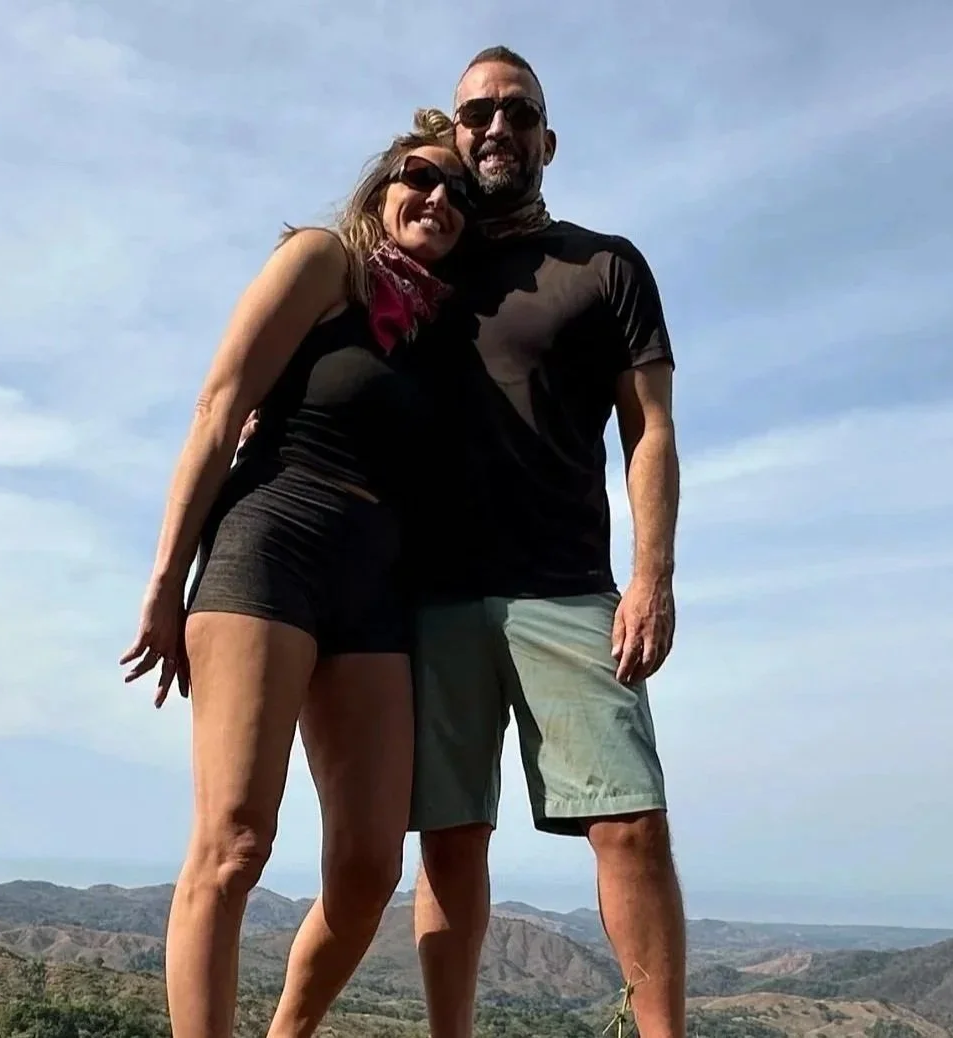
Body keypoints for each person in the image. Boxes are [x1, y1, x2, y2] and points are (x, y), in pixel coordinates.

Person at [119, 109, 478, 1038]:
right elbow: (218, 405)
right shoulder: (326, 262)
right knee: (234, 845)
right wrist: (165, 581)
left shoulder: (448, 333)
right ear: (379, 187)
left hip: (377, 585)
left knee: (367, 871)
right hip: (269, 544)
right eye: (417, 176)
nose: (436, 197)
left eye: (458, 191)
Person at [400, 46, 691, 1038]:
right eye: (477, 110)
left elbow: (648, 428)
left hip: (569, 587)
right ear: (451, 129)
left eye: (516, 112)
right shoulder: (412, 267)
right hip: (430, 595)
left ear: (546, 139)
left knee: (632, 826)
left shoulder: (605, 265)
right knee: (448, 841)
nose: (495, 127)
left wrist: (652, 576)